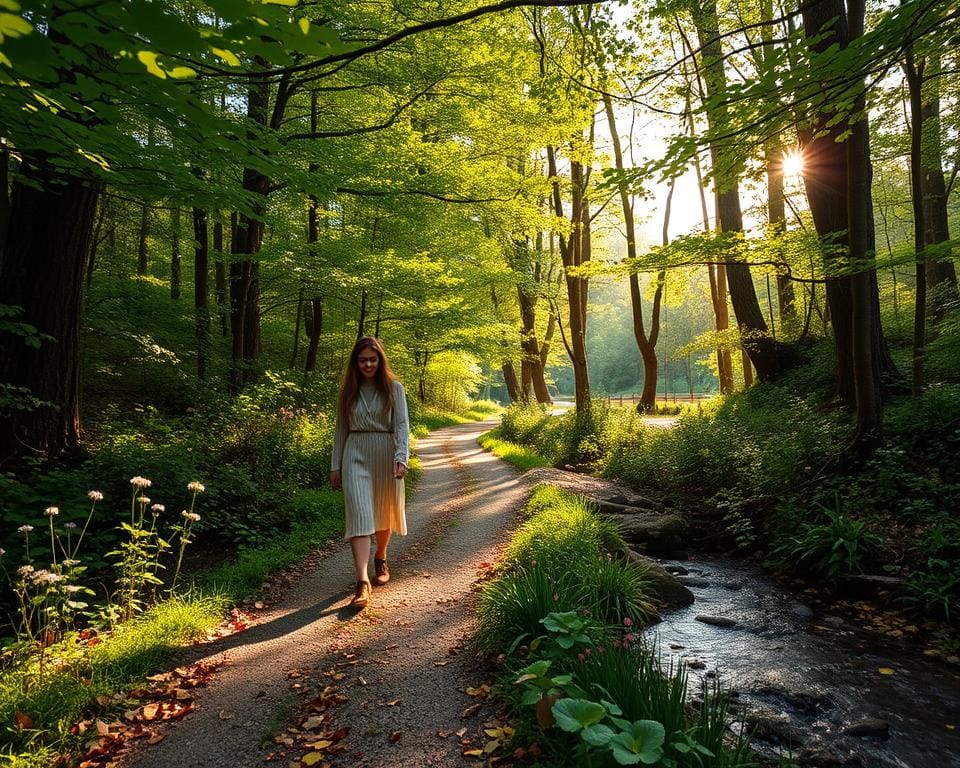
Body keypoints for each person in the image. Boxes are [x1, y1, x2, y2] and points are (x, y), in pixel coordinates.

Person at [330, 336, 409, 609]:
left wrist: (401, 458)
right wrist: (335, 465)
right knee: (360, 514)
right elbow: (340, 430)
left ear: (380, 360)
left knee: (383, 511)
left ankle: (381, 556)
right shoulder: (348, 391)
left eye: (372, 359)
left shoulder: (393, 388)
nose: (367, 364)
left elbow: (402, 426)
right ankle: (362, 582)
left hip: (385, 452)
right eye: (363, 360)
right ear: (356, 362)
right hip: (355, 452)